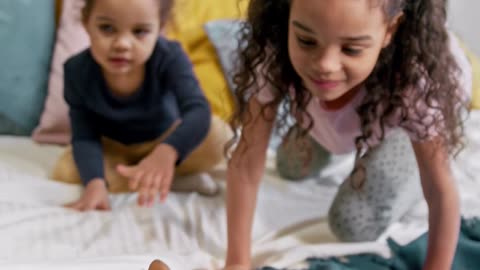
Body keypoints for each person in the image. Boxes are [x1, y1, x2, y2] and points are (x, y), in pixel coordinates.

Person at [224, 0, 474, 269]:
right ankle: (328, 127)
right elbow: (246, 162)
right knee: (290, 164)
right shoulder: (274, 52)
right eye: (307, 41)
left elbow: (440, 190)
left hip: (403, 125)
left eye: (351, 49)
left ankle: (403, 157)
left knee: (353, 221)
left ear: (390, 30)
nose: (325, 65)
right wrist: (237, 261)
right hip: (328, 112)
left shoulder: (418, 83)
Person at [51, 0, 229, 211]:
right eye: (107, 28)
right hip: (115, 150)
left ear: (159, 28)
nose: (122, 44)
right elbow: (84, 136)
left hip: (165, 141)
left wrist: (168, 152)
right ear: (86, 23)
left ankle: (159, 172)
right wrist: (94, 184)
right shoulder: (76, 71)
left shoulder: (170, 56)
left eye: (140, 32)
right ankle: (168, 181)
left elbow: (198, 110)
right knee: (66, 170)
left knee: (219, 136)